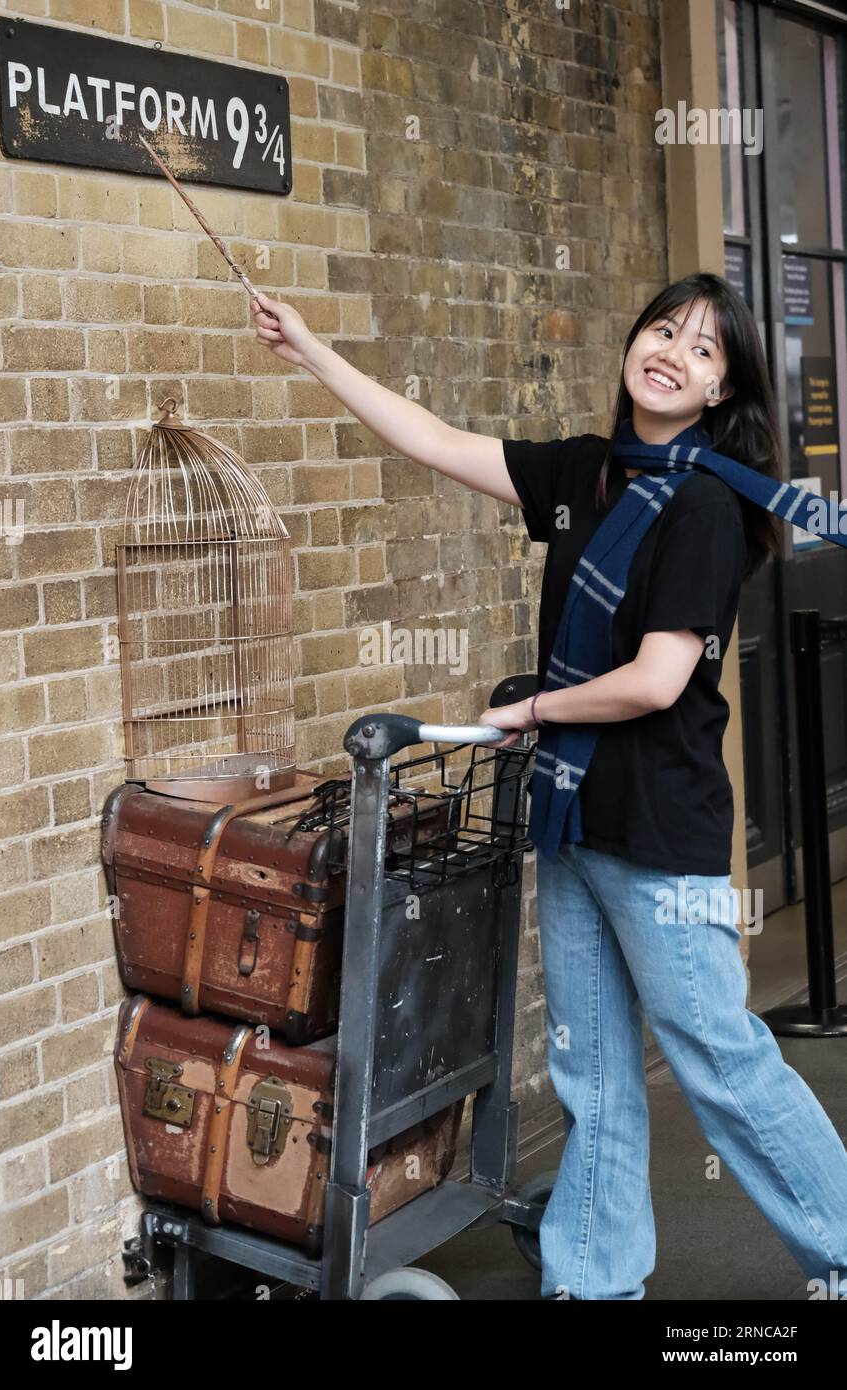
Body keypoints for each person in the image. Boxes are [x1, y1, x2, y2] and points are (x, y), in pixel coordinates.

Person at [250, 272, 847, 1301]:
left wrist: (529, 711)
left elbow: (657, 680)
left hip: (660, 833)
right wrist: (309, 350)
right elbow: (431, 439)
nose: (671, 351)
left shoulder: (703, 505)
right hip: (572, 821)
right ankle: (594, 1274)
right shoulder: (582, 471)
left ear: (718, 394)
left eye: (703, 350)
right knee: (593, 1069)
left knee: (718, 1064)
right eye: (662, 328)